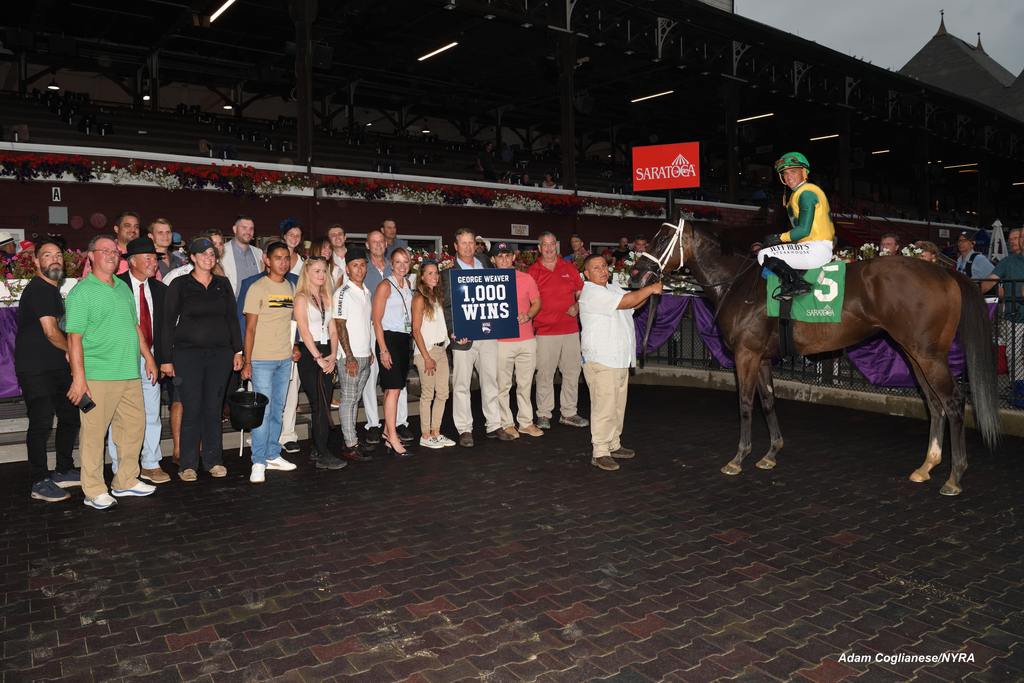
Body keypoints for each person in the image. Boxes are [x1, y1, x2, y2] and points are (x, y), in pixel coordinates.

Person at [65, 235, 159, 509]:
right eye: (104, 250)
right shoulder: (82, 292)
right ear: (90, 256)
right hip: (97, 376)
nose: (110, 254)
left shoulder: (122, 288)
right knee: (94, 435)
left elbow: (135, 328)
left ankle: (126, 481)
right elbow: (74, 339)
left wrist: (149, 357)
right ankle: (93, 489)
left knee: (133, 428)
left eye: (114, 251)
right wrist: (79, 378)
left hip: (129, 372)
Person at [161, 238, 243, 481]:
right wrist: (166, 359)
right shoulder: (179, 284)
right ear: (192, 258)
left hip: (220, 355)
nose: (209, 257)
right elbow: (166, 324)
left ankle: (213, 460)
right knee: (192, 408)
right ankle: (187, 463)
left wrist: (238, 351)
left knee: (212, 408)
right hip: (187, 356)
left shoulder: (223, 284)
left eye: (212, 253)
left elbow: (231, 318)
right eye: (203, 254)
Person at [579, 254, 663, 471]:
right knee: (604, 408)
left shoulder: (613, 288)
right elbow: (628, 301)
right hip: (602, 359)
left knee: (617, 407)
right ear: (586, 274)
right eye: (596, 268)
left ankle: (614, 444)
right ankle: (600, 451)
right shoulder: (591, 293)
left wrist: (649, 288)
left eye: (604, 266)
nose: (602, 270)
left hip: (619, 358)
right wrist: (650, 289)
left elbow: (634, 303)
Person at [15, 237, 80, 502]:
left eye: (57, 255)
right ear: (35, 261)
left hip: (55, 368)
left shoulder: (51, 290)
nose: (54, 259)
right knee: (41, 424)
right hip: (36, 370)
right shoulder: (40, 288)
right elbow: (51, 332)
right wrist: (74, 353)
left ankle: (63, 469)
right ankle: (39, 480)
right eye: (46, 255)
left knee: (70, 417)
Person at [108, 237, 169, 485]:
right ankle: (121, 465)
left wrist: (162, 359)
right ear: (131, 262)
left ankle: (151, 463)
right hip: (122, 358)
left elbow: (165, 328)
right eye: (148, 258)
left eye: (155, 259)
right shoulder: (115, 286)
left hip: (151, 357)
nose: (153, 263)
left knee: (152, 412)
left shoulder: (160, 290)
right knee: (119, 415)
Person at [241, 241, 299, 484]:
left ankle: (273, 453)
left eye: (286, 258)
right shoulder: (257, 288)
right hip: (262, 360)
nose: (283, 262)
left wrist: (294, 346)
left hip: (284, 359)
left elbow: (292, 323)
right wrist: (247, 361)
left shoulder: (292, 287)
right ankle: (258, 461)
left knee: (278, 409)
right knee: (262, 414)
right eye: (278, 257)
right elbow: (250, 329)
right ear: (267, 260)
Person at [441, 228, 502, 447]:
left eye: (470, 243)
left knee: (490, 380)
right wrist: (452, 331)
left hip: (487, 334)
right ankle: (465, 429)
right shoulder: (448, 273)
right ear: (455, 247)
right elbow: (446, 307)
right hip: (464, 337)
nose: (468, 247)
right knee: (461, 384)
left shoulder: (486, 264)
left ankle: (494, 424)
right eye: (463, 243)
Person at [527, 232, 588, 430]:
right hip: (545, 332)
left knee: (571, 372)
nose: (549, 248)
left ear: (557, 246)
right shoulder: (533, 271)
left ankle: (569, 413)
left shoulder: (568, 267)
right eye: (545, 244)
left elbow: (581, 292)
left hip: (570, 330)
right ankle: (544, 414)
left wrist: (578, 306)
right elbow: (526, 300)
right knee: (545, 373)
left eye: (552, 244)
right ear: (539, 248)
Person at [757, 152, 836, 300]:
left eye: (793, 172)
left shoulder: (807, 192)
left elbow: (804, 230)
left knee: (763, 255)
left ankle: (796, 284)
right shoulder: (798, 193)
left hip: (816, 248)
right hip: (810, 247)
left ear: (804, 172)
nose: (788, 177)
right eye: (785, 173)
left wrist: (778, 238)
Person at [293, 257, 346, 470]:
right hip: (310, 354)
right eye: (316, 271)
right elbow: (304, 331)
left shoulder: (327, 297)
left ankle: (317, 448)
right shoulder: (301, 298)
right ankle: (323, 453)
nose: (321, 275)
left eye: (324, 271)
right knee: (321, 405)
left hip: (327, 353)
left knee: (322, 403)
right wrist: (318, 357)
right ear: (307, 273)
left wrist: (333, 354)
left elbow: (333, 329)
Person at [361, 230, 413, 445]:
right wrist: (382, 348)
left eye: (405, 262)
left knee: (398, 386)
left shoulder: (408, 284)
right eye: (398, 262)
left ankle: (393, 426)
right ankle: (382, 430)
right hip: (384, 336)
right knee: (386, 386)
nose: (402, 265)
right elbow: (376, 318)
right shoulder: (381, 282)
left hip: (402, 339)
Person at [492, 242, 544, 440]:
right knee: (503, 385)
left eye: (507, 255)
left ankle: (526, 422)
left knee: (525, 384)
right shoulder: (487, 281)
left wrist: (529, 314)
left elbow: (537, 302)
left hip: (526, 339)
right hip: (501, 341)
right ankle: (506, 423)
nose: (504, 259)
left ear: (513, 257)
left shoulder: (526, 278)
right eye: (499, 256)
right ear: (493, 260)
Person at [333, 247, 375, 463]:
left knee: (354, 400)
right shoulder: (343, 293)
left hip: (364, 355)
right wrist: (348, 357)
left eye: (362, 264)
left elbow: (365, 325)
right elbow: (340, 326)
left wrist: (369, 351)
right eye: (354, 265)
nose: (359, 269)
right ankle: (350, 445)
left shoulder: (366, 292)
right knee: (349, 401)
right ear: (347, 269)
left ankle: (350, 439)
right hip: (350, 357)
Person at [410, 261, 454, 449]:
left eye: (436, 273)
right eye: (430, 273)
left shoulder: (436, 297)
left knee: (443, 393)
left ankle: (436, 432)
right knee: (428, 394)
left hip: (441, 350)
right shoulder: (419, 298)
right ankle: (425, 434)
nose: (434, 276)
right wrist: (426, 357)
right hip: (425, 352)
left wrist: (449, 336)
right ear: (422, 276)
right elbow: (416, 330)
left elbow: (437, 326)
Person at [82, 211, 140, 278]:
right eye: (127, 226)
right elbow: (88, 280)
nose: (133, 230)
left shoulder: (144, 253)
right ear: (116, 229)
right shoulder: (101, 252)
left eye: (136, 227)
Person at [221, 215, 264, 295]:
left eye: (251, 229)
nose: (248, 232)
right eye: (244, 228)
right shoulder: (222, 252)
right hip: (232, 304)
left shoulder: (259, 253)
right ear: (234, 229)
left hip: (255, 303)